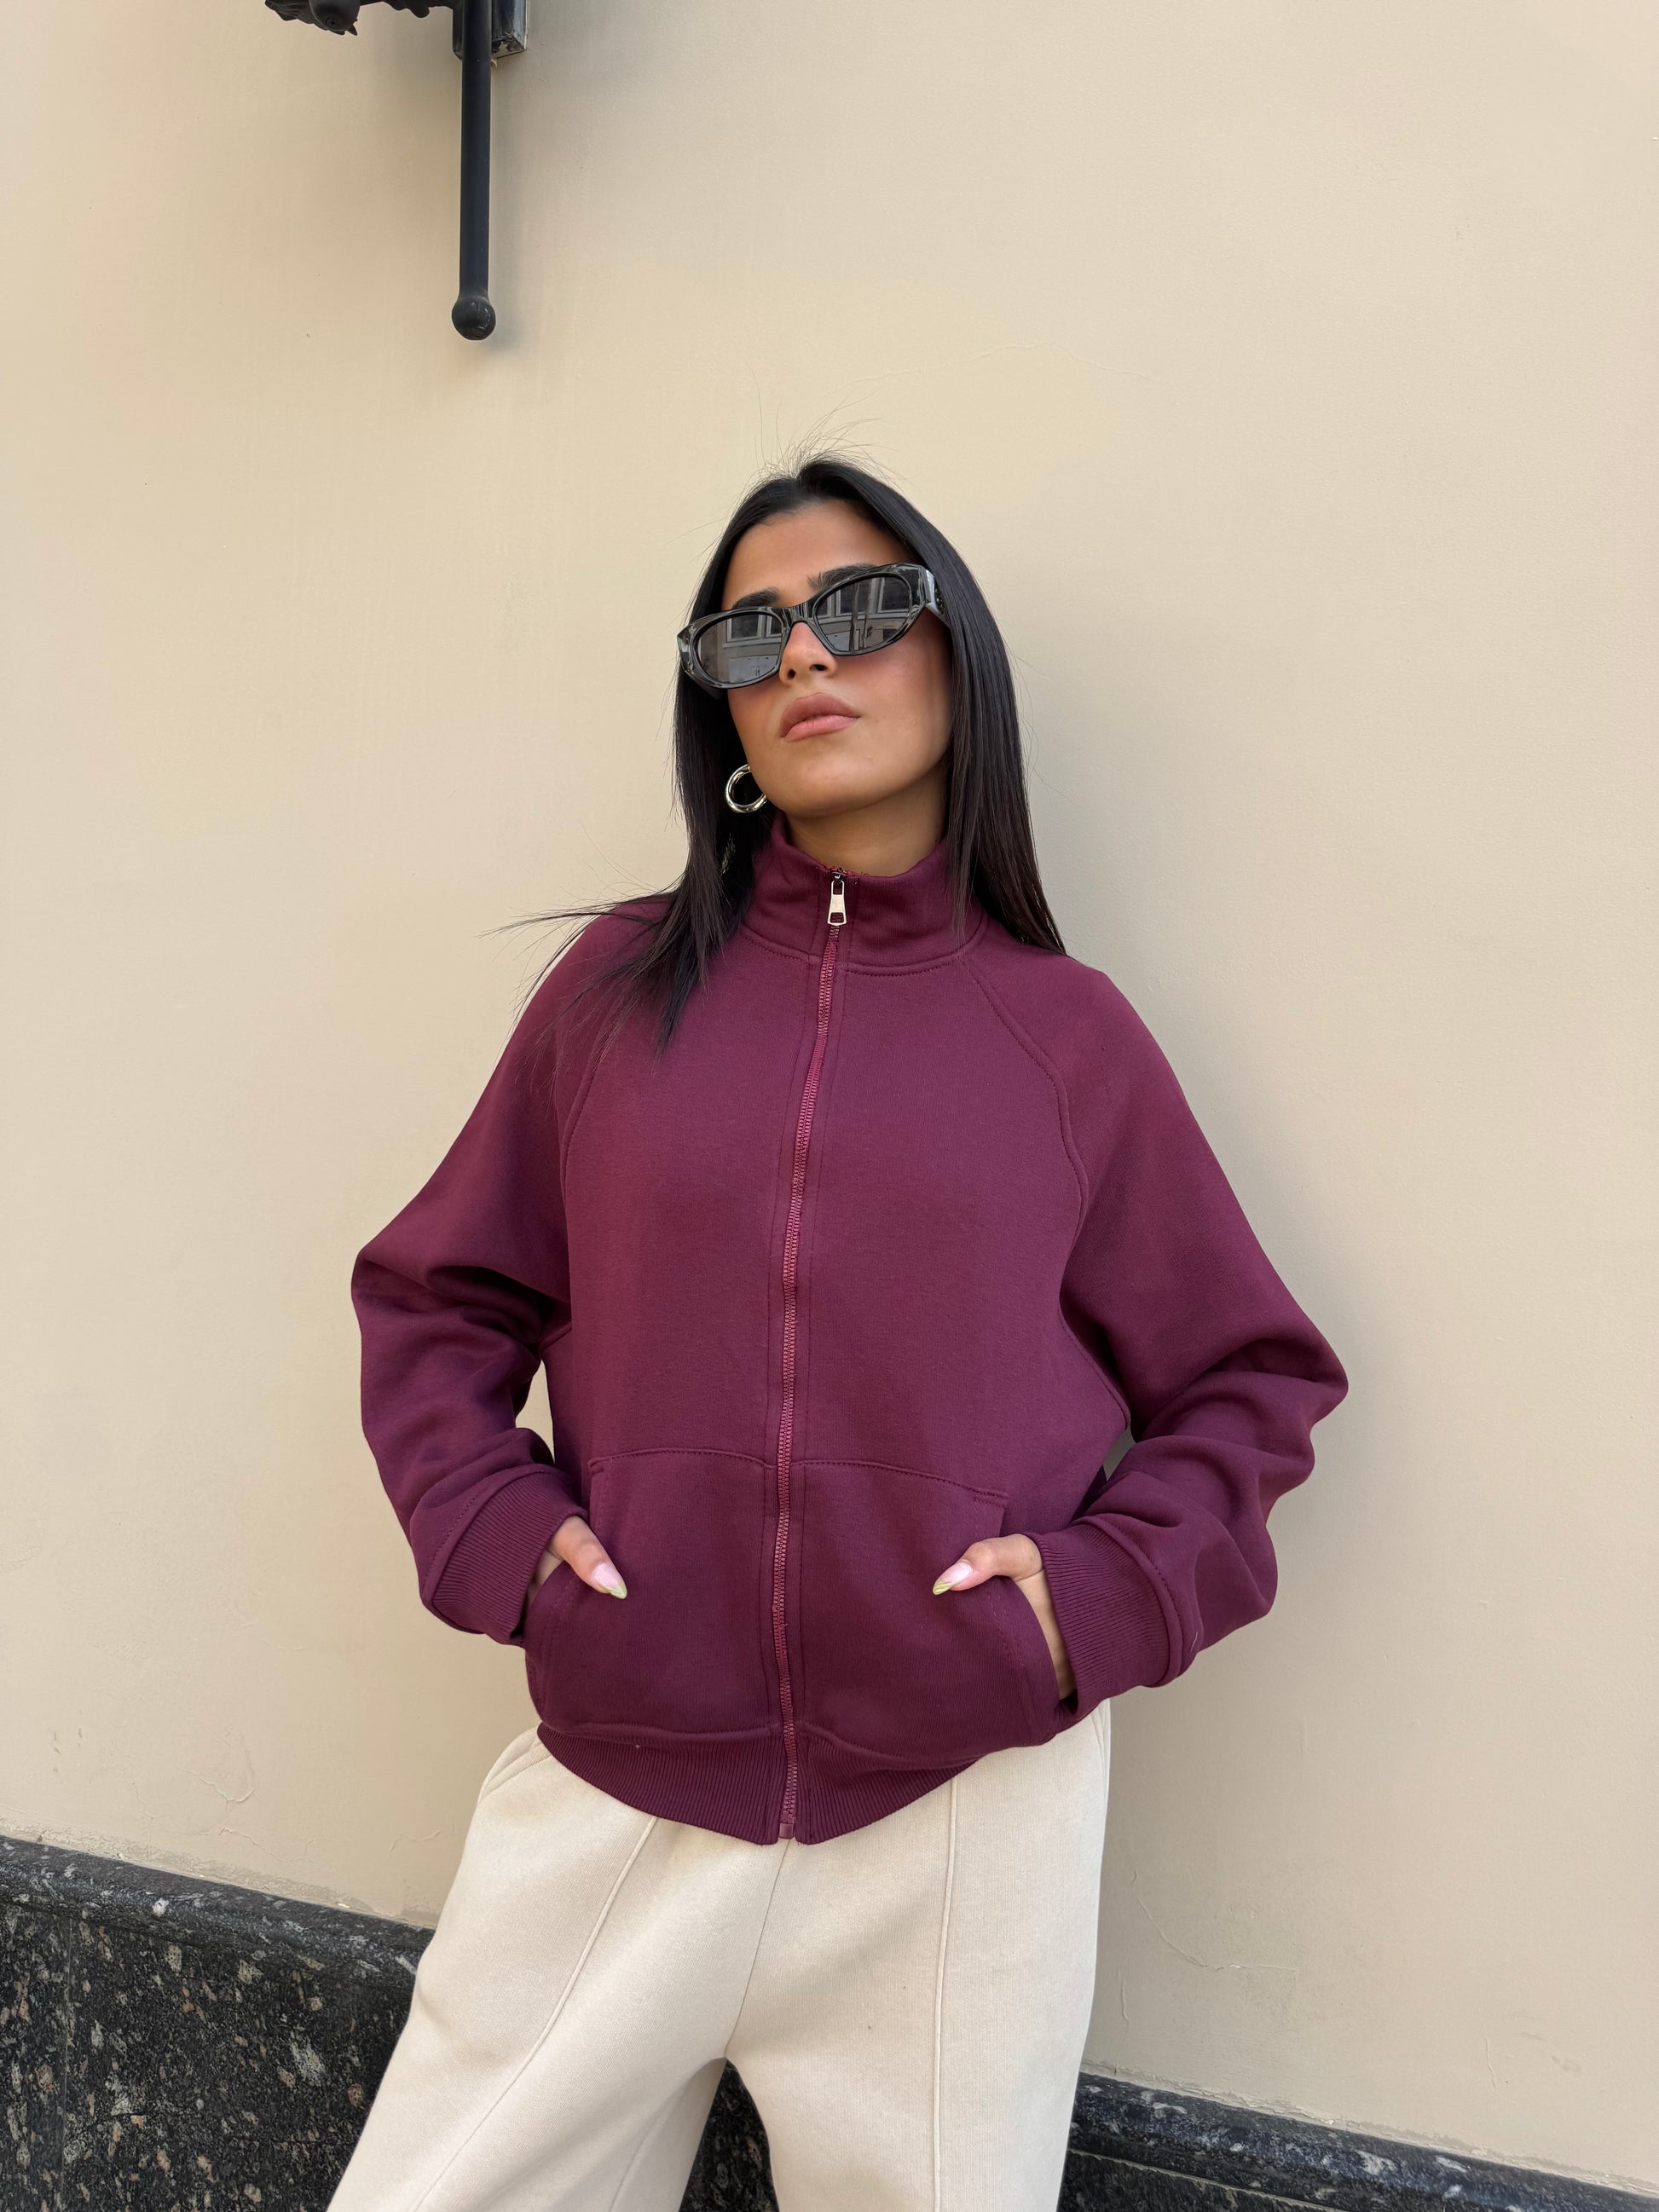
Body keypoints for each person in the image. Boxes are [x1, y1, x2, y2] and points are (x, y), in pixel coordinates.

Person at [330, 454, 1349, 2212]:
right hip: (623, 1776)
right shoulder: (610, 999)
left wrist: (1087, 1602)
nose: (805, 653)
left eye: (863, 609)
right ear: (722, 705)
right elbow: (435, 1299)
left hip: (958, 1823)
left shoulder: (1067, 1040)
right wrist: (503, 1541)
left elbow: (1249, 1379)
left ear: (958, 659)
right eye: (752, 631)